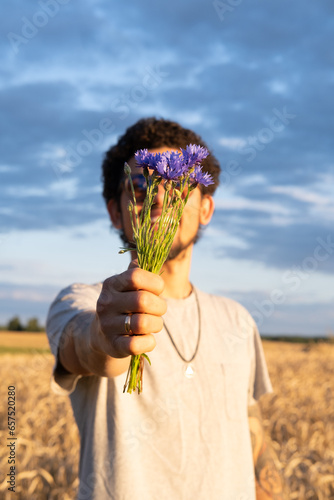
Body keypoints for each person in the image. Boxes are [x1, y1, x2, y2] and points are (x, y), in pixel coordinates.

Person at [46, 117, 286, 500]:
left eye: (179, 183)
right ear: (115, 211)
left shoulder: (237, 318)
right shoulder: (83, 302)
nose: (158, 195)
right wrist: (106, 336)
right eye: (140, 184)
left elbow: (253, 437)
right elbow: (86, 345)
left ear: (205, 207)